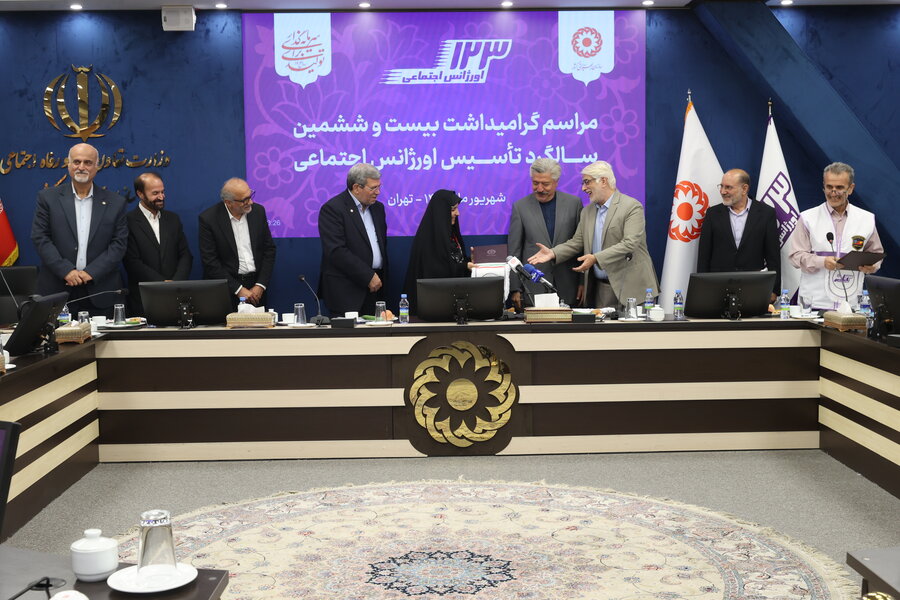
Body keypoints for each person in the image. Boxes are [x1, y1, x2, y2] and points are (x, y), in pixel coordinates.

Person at [528, 160, 658, 309]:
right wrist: (553, 253)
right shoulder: (587, 212)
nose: (584, 188)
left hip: (633, 287)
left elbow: (630, 244)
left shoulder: (631, 206)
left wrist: (596, 258)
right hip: (603, 290)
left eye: (587, 182)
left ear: (603, 181)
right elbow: (577, 242)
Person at [31, 143, 128, 315]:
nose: (81, 167)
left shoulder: (116, 202)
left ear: (97, 166)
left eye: (88, 162)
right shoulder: (47, 198)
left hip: (100, 290)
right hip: (57, 290)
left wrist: (91, 272)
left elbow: (118, 244)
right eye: (76, 162)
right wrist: (66, 270)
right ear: (68, 165)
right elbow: (40, 237)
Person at [789, 162, 884, 311]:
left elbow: (876, 254)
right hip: (814, 304)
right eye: (829, 187)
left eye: (839, 187)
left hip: (851, 305)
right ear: (823, 187)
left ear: (850, 188)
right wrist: (822, 262)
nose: (833, 192)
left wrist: (873, 266)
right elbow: (795, 256)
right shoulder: (807, 218)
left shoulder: (866, 219)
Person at [507, 158, 583, 309]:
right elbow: (514, 251)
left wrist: (583, 282)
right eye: (535, 183)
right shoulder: (520, 207)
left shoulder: (574, 204)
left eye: (545, 184)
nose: (540, 189)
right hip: (533, 287)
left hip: (569, 285)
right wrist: (515, 288)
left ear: (556, 182)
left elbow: (582, 246)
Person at [697, 169, 781, 301]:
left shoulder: (766, 213)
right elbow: (704, 255)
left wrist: (774, 289)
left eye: (728, 187)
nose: (722, 191)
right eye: (721, 186)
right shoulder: (712, 214)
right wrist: (702, 287)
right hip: (718, 287)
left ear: (744, 189)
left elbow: (773, 256)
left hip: (753, 286)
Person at [318, 163, 388, 317]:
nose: (378, 192)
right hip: (346, 292)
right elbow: (336, 251)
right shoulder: (333, 209)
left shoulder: (378, 208)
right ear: (356, 188)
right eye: (373, 188)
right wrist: (368, 276)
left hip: (375, 289)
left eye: (379, 187)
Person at [198, 177, 276, 308]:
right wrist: (238, 289)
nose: (250, 202)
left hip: (256, 291)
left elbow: (269, 250)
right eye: (244, 200)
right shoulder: (209, 219)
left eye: (250, 196)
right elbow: (210, 261)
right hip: (226, 290)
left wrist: (260, 285)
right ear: (228, 202)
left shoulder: (258, 212)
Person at [124, 172, 193, 315]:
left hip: (176, 295)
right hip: (144, 298)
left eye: (162, 192)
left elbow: (185, 255)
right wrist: (162, 284)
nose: (161, 197)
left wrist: (175, 283)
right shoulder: (128, 221)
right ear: (140, 194)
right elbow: (132, 261)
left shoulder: (173, 219)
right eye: (155, 193)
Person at [403, 189, 475, 314]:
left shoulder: (451, 235)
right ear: (441, 212)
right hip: (434, 307)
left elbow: (453, 261)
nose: (457, 213)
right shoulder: (427, 239)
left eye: (457, 209)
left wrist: (469, 261)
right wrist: (464, 266)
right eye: (453, 209)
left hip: (454, 302)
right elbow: (436, 272)